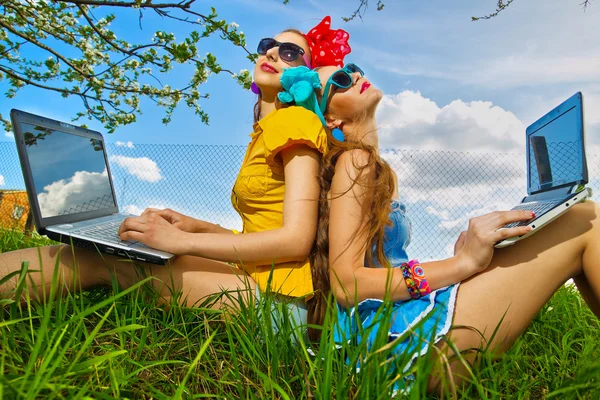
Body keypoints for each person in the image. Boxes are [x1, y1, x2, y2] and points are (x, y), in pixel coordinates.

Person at [0, 17, 351, 323]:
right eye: (268, 45)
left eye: (290, 52)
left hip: (281, 306)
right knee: (119, 250)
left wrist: (183, 240)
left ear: (305, 75)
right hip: (262, 282)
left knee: (95, 258)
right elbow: (261, 233)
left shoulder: (297, 121)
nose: (272, 53)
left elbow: (295, 241)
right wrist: (198, 227)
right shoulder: (268, 131)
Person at [289, 63, 600, 392]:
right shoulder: (355, 161)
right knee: (582, 219)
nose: (353, 76)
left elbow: (379, 266)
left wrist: (460, 260)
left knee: (578, 219)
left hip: (390, 334)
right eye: (339, 81)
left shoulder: (372, 165)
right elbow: (346, 283)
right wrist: (460, 264)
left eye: (352, 69)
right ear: (331, 119)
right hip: (396, 344)